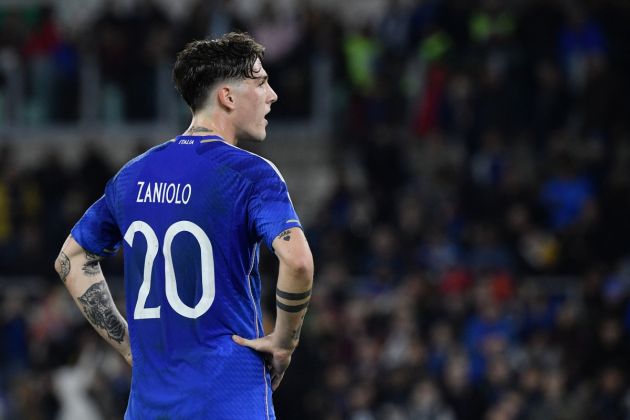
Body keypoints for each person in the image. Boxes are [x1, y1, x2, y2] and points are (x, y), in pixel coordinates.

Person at [53, 32, 314, 419]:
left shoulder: (132, 176)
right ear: (227, 96)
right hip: (228, 398)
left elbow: (70, 260)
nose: (272, 94)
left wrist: (129, 345)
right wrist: (284, 342)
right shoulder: (250, 173)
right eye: (261, 83)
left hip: (149, 405)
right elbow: (298, 262)